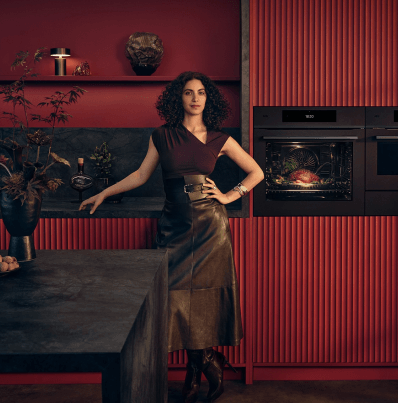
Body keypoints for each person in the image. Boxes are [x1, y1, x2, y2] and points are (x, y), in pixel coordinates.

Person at [79, 71, 263, 403]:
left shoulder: (219, 139)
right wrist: (104, 193)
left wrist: (228, 196)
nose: (195, 98)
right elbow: (140, 175)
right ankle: (209, 361)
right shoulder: (162, 135)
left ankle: (194, 370)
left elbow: (257, 172)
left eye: (201, 92)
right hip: (173, 227)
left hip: (211, 229)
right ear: (178, 98)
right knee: (173, 300)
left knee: (204, 299)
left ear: (208, 99)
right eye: (189, 92)